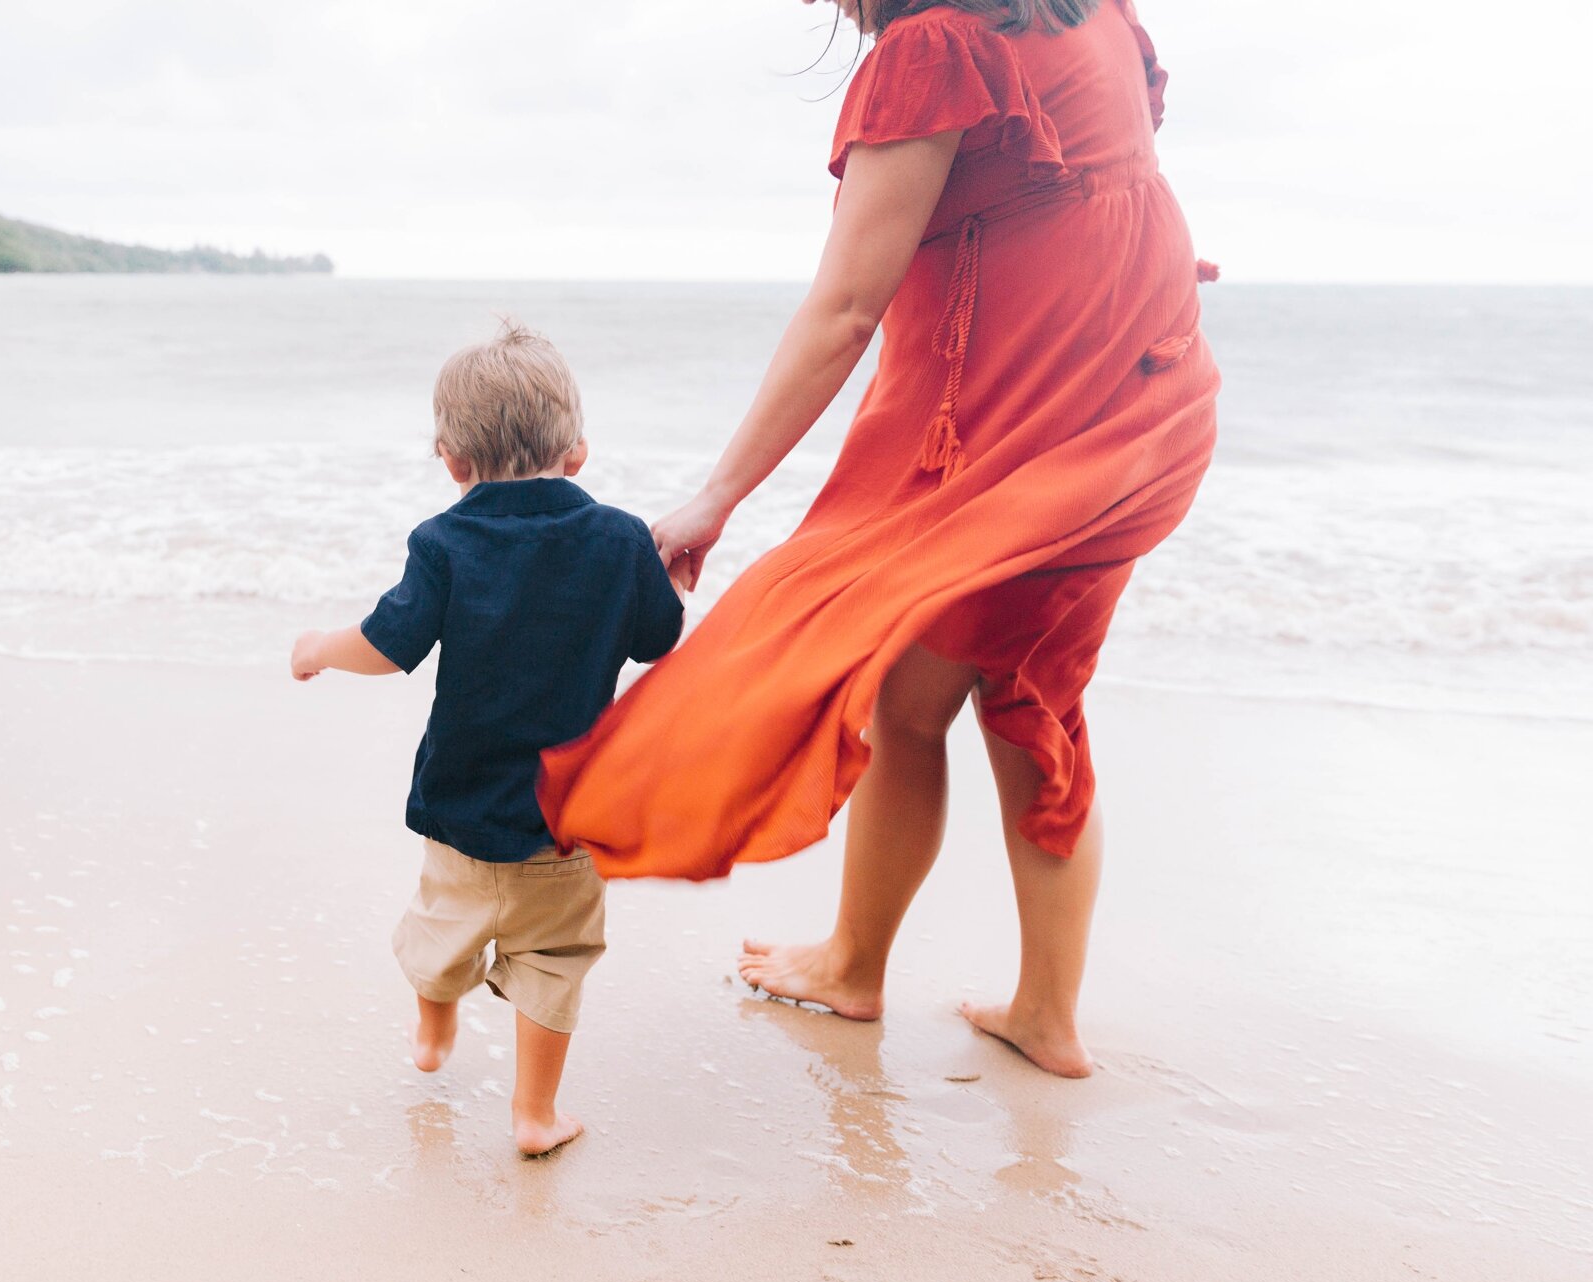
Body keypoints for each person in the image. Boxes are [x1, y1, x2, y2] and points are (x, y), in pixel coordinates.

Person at [539, 0, 1220, 1079]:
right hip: (1142, 405)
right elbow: (1119, 150)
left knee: (910, 702)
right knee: (1031, 694)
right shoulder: (1094, 11)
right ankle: (1041, 1013)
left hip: (1020, 437)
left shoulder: (933, 49)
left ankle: (857, 966)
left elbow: (846, 309)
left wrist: (717, 495)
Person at [291, 323, 685, 1154]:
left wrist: (321, 648)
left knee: (442, 925)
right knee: (556, 958)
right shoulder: (620, 539)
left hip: (461, 806)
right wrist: (667, 579)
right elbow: (659, 640)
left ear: (451, 460)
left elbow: (387, 645)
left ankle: (435, 1035)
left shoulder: (443, 542)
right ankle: (535, 1116)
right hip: (567, 819)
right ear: (577, 452)